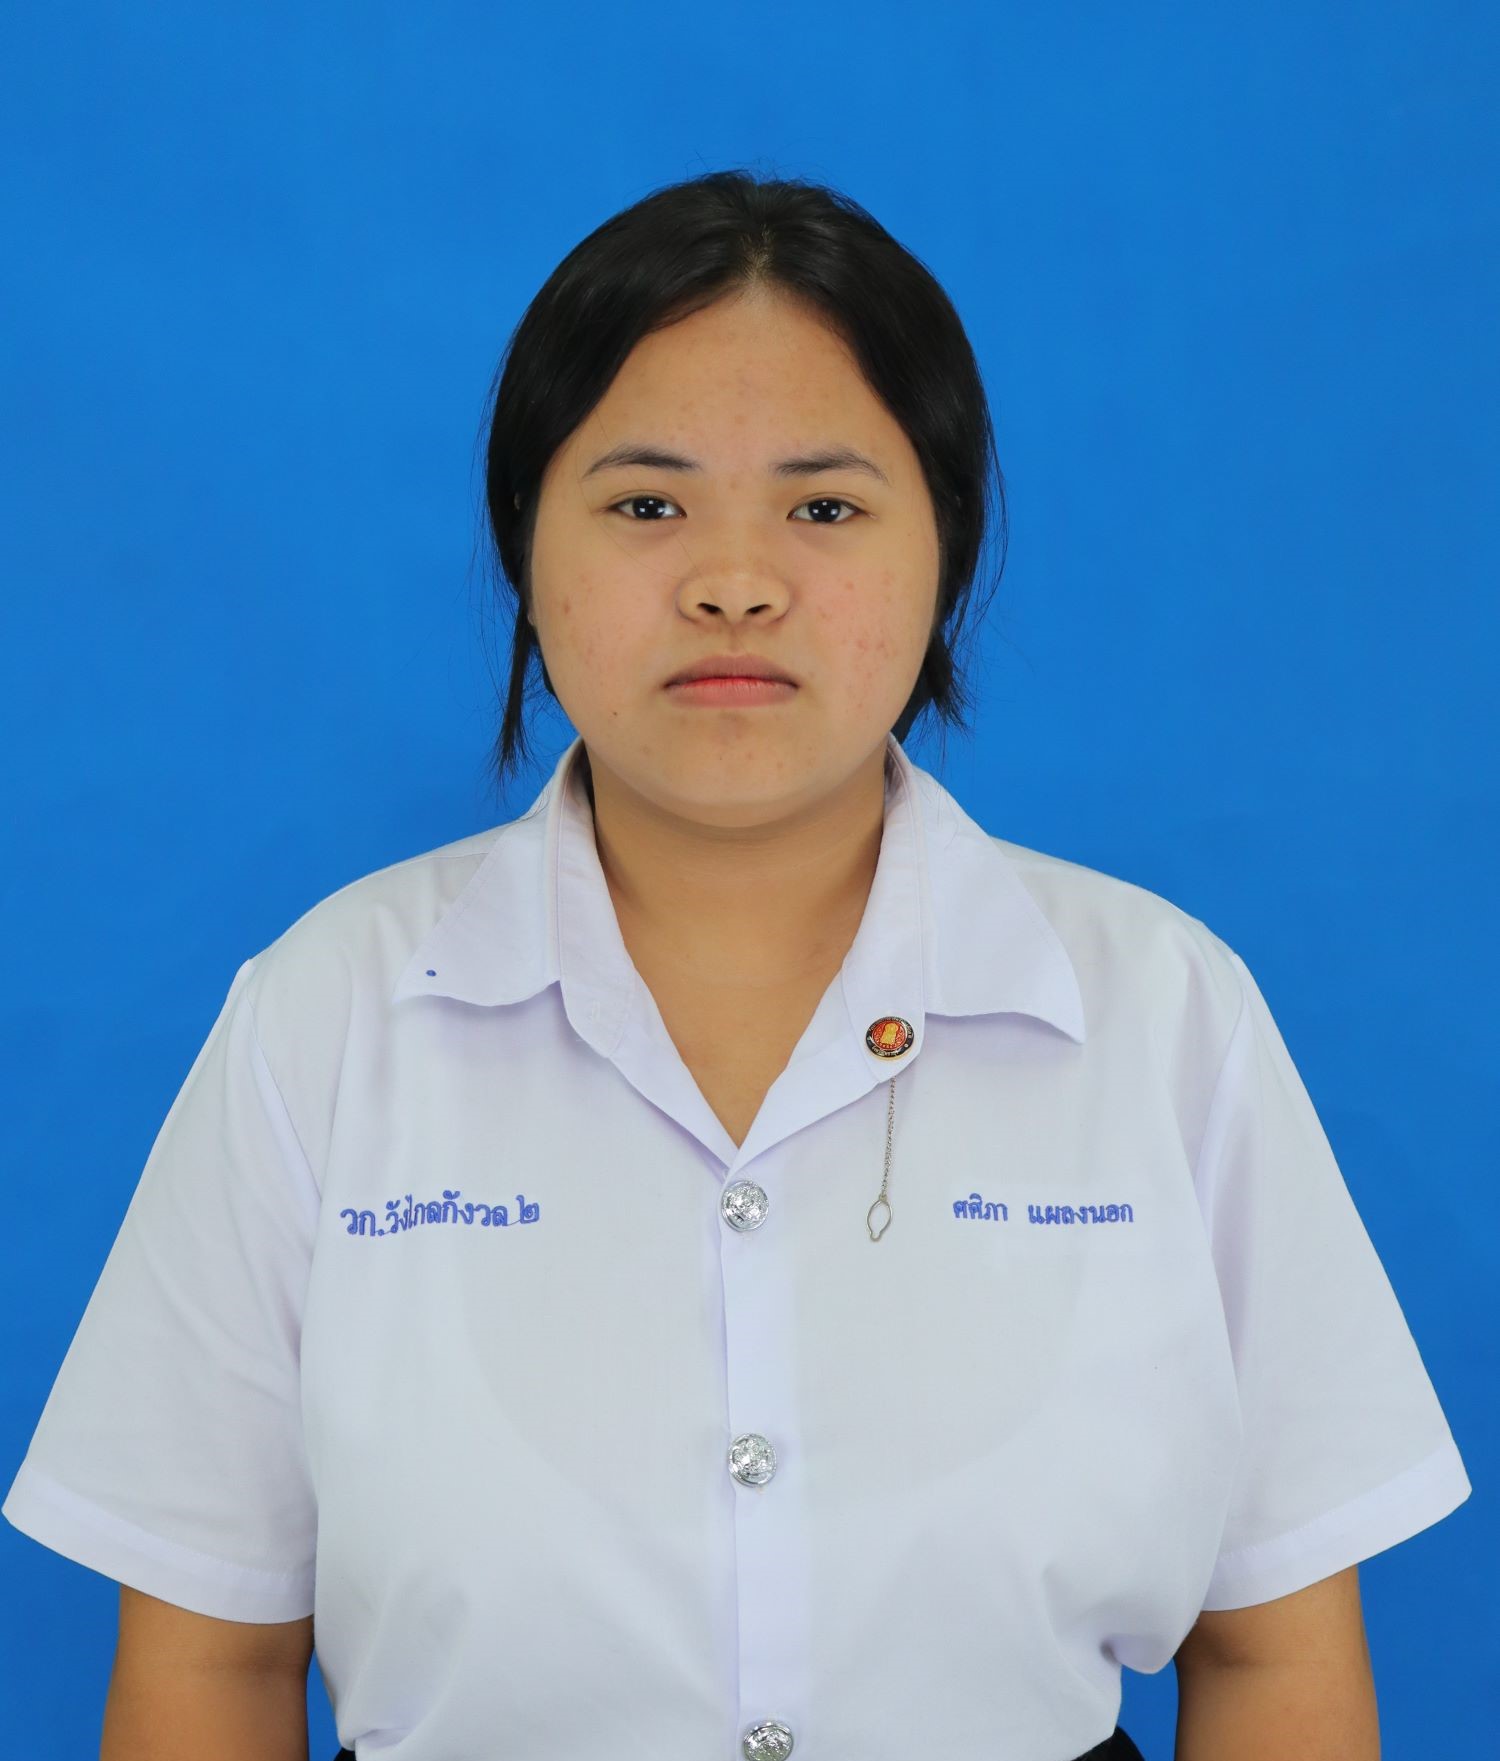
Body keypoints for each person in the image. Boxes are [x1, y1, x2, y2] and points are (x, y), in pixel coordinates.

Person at [3, 170, 1470, 1761]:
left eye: (824, 508)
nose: (734, 580)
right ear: (525, 542)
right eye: (647, 505)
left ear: (946, 546)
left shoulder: (1165, 1013)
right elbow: (211, 1664)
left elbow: (1274, 1652)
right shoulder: (323, 1017)